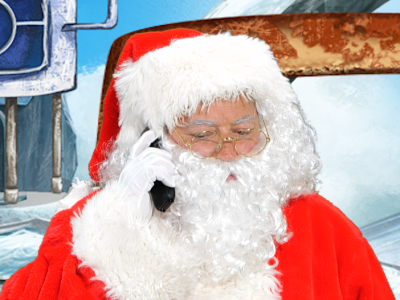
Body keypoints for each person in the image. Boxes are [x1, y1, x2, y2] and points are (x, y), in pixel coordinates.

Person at [0, 29, 395, 300]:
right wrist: (122, 230)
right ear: (153, 141)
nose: (228, 151)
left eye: (243, 131)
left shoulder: (322, 225)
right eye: (202, 134)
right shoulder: (88, 225)